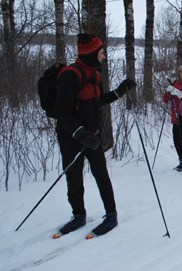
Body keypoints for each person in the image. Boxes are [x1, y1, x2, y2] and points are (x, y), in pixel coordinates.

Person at [53, 33, 136, 236]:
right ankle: (78, 215)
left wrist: (120, 91)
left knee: (101, 175)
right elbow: (61, 111)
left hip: (93, 136)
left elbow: (96, 102)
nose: (104, 56)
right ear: (91, 54)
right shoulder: (70, 75)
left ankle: (111, 215)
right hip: (71, 138)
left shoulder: (95, 75)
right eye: (101, 52)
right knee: (73, 178)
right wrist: (81, 134)